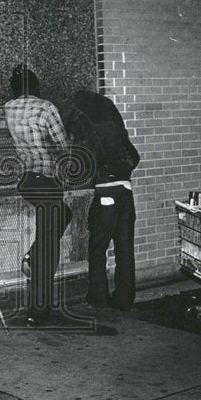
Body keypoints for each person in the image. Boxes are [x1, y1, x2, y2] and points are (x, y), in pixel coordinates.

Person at [3, 64, 73, 327]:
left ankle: (32, 256)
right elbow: (63, 145)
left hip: (27, 181)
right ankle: (38, 309)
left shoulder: (9, 108)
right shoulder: (46, 108)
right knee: (50, 245)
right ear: (36, 86)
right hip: (47, 181)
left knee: (59, 220)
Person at [61, 89, 140, 311]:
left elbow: (79, 157)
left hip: (106, 192)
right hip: (126, 190)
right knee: (125, 248)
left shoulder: (79, 116)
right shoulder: (109, 115)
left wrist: (98, 175)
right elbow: (135, 156)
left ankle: (98, 296)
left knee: (97, 246)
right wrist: (120, 173)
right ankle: (125, 299)